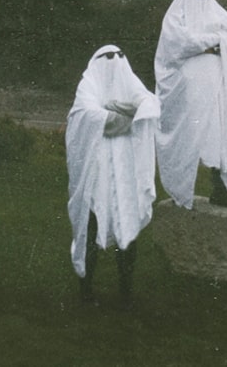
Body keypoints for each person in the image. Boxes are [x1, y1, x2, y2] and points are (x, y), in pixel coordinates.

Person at [66, 44, 159, 308]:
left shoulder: (131, 83)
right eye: (108, 57)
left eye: (119, 56)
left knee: (127, 229)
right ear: (97, 60)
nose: (114, 61)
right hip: (97, 173)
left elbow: (150, 104)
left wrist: (116, 108)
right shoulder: (88, 85)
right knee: (91, 225)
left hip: (125, 172)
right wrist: (130, 118)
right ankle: (85, 290)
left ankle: (126, 292)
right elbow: (90, 116)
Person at [154, 0, 227, 210]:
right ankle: (181, 189)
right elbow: (179, 43)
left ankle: (221, 188)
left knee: (220, 137)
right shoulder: (175, 18)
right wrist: (215, 41)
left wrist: (204, 45)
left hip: (219, 89)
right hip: (188, 92)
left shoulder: (221, 16)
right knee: (188, 137)